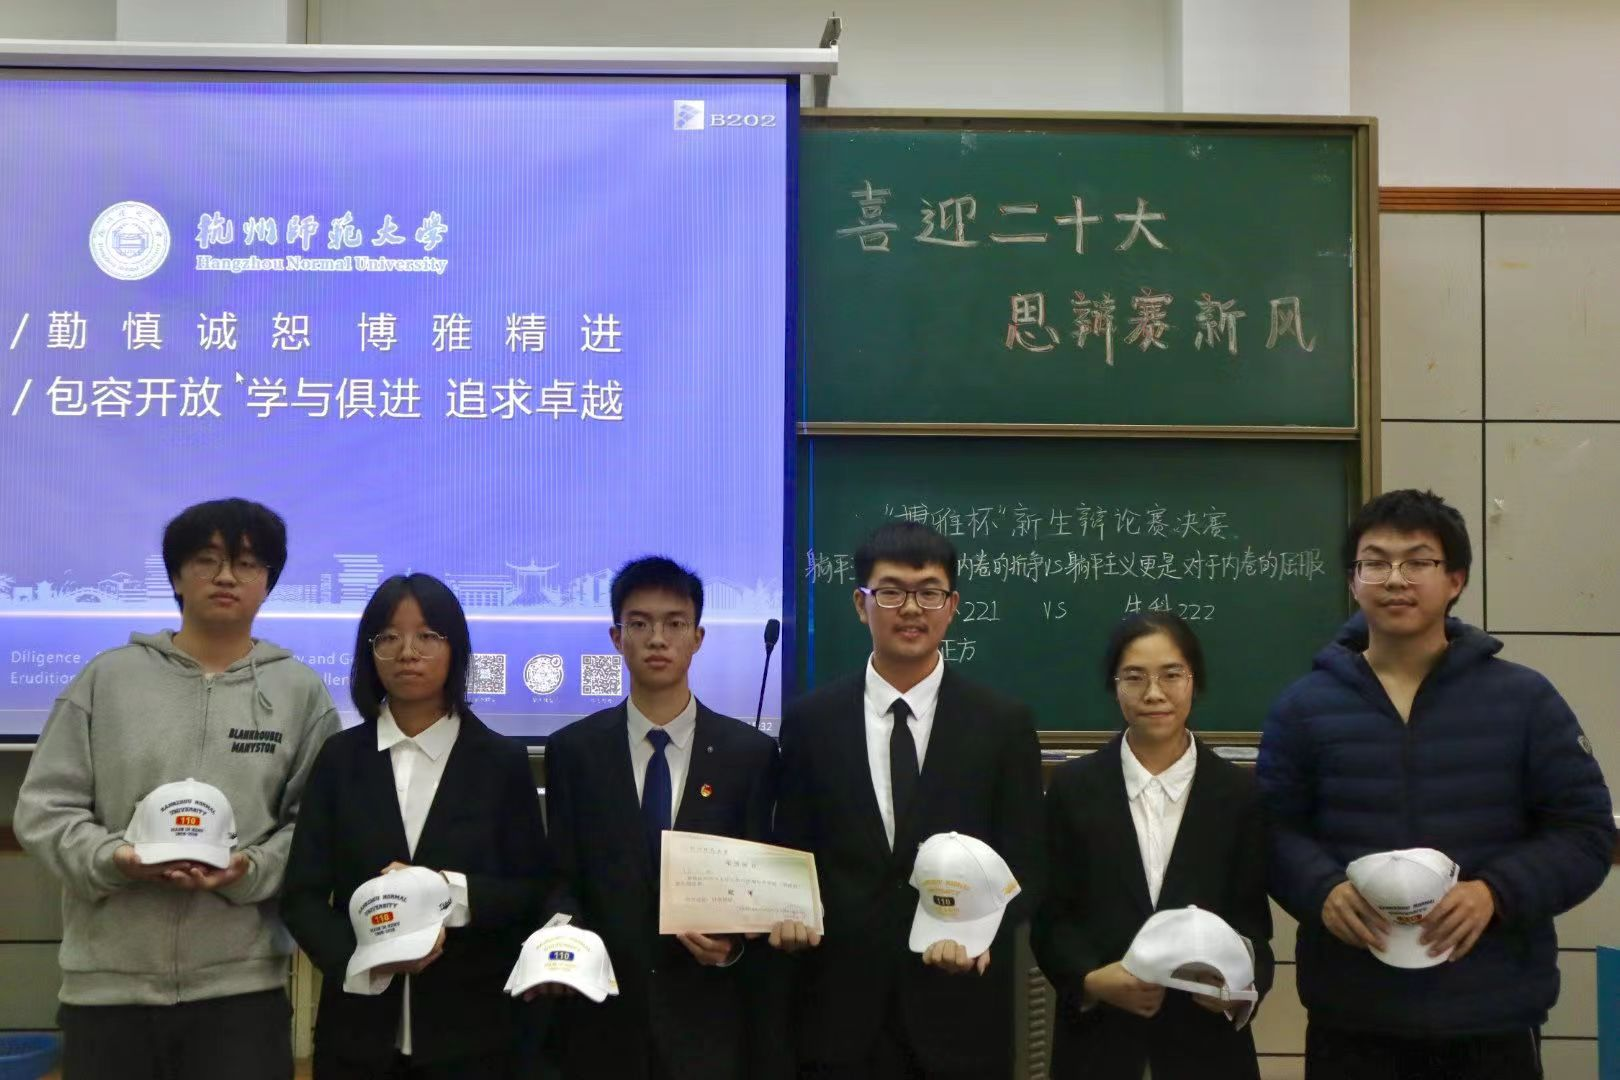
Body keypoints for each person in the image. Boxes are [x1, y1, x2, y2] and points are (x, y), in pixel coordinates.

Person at [1258, 489, 1615, 1079]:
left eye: (1418, 561)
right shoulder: (1304, 707)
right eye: (1376, 562)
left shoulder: (1524, 700)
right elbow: (1271, 830)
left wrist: (1495, 893)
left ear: (1455, 580)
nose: (1396, 579)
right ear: (1353, 581)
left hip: (1491, 1010)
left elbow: (1585, 833)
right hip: (1355, 1011)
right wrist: (1321, 890)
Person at [14, 498, 340, 1080]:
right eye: (206, 560)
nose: (225, 576)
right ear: (175, 577)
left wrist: (249, 870)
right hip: (107, 990)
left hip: (243, 990)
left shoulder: (300, 693)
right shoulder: (107, 678)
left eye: (247, 563)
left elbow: (315, 826)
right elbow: (44, 808)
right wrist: (113, 859)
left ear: (268, 582)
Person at [772, 521, 1045, 1080]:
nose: (912, 609)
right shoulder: (810, 723)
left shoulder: (1002, 724)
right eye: (892, 592)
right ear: (861, 604)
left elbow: (1028, 863)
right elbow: (792, 849)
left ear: (952, 606)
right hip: (838, 1016)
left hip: (958, 1013)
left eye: (929, 592)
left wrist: (977, 934)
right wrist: (786, 911)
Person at [280, 573, 551, 1079]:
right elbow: (302, 895)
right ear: (370, 653)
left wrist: (443, 891)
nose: (407, 652)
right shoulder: (340, 759)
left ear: (455, 649)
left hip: (475, 1039)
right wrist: (362, 961)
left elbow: (531, 892)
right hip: (357, 1039)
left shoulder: (501, 763)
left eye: (427, 635)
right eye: (388, 636)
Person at [542, 556, 780, 1080]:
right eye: (640, 623)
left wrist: (733, 945)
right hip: (602, 1017)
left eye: (674, 624)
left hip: (707, 1022)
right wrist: (562, 934)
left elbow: (758, 885)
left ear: (698, 637)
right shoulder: (574, 752)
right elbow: (560, 875)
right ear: (616, 637)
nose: (657, 639)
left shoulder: (749, 755)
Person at [1032, 613, 1272, 1080]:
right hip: (1098, 1040)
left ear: (1194, 681)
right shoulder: (1074, 788)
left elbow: (1252, 926)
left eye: (1171, 675)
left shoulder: (1238, 794)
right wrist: (1089, 980)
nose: (1154, 693)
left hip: (1206, 1044)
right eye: (1134, 677)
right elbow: (1051, 915)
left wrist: (1237, 988)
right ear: (1114, 686)